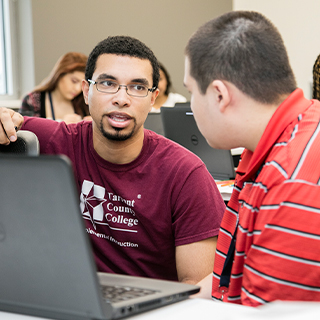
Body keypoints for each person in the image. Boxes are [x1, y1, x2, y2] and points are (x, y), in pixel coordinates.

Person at [0, 36, 225, 284]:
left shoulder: (185, 174)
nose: (121, 98)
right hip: (72, 294)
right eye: (108, 83)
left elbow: (197, 290)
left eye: (138, 87)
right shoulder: (57, 140)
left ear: (153, 99)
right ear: (87, 92)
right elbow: (10, 120)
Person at [184, 11, 320, 304]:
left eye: (191, 92)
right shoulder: (278, 137)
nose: (191, 106)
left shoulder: (291, 185)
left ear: (220, 95)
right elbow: (228, 279)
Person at [19, 52, 91, 124]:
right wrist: (61, 127)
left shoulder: (85, 102)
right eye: (74, 81)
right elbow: (25, 133)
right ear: (59, 75)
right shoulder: (32, 101)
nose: (78, 89)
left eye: (82, 85)